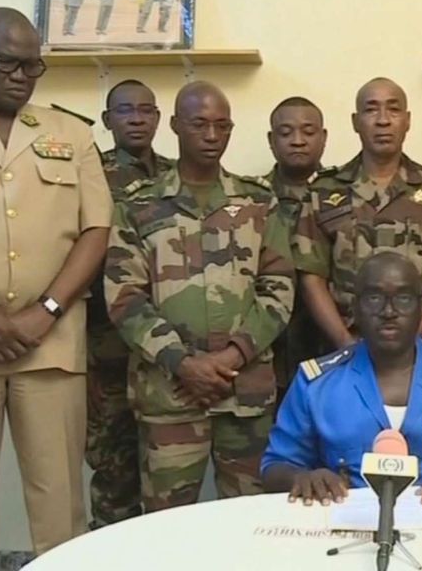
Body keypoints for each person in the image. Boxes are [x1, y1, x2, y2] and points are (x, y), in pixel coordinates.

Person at [0, 8, 112, 570]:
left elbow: (95, 230)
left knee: (60, 505)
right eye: (6, 62)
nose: (20, 76)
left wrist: (47, 310)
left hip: (51, 344)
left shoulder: (73, 134)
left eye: (32, 66)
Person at [105, 81, 294, 512]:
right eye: (199, 124)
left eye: (221, 126)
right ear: (175, 126)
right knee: (166, 525)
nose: (212, 136)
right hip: (169, 394)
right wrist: (184, 363)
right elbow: (124, 296)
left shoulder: (258, 202)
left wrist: (232, 356)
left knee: (251, 520)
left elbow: (279, 286)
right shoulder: (138, 205)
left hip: (244, 394)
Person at [262, 252, 422, 507]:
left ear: (421, 307)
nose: (389, 311)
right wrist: (301, 477)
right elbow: (274, 467)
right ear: (355, 308)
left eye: (403, 298)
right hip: (347, 521)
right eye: (374, 298)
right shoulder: (316, 384)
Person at [294, 77, 422, 355]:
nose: (382, 120)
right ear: (355, 122)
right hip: (342, 349)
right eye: (371, 110)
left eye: (393, 109)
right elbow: (311, 277)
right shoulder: (324, 191)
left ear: (407, 120)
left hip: (419, 350)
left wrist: (409, 342)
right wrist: (345, 344)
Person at [85, 79, 173, 529]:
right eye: (124, 110)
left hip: (168, 349)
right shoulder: (88, 175)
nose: (136, 119)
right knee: (114, 471)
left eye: (145, 110)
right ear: (107, 120)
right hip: (109, 351)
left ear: (158, 118)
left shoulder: (179, 174)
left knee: (167, 472)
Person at [265, 97, 327, 398]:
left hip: (332, 345)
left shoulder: (345, 195)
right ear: (271, 140)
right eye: (286, 132)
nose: (298, 141)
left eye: (308, 131)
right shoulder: (250, 199)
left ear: (324, 137)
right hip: (268, 353)